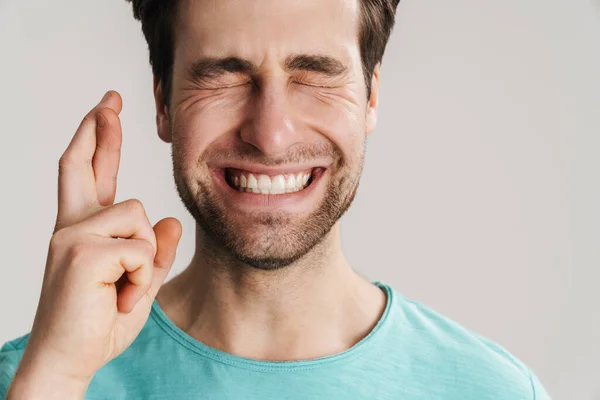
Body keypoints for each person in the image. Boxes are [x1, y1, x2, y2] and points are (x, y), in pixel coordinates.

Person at [1, 0, 551, 399]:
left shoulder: (495, 391)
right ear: (163, 101)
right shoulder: (32, 379)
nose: (271, 134)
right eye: (225, 77)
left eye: (313, 77)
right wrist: (56, 379)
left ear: (371, 97)